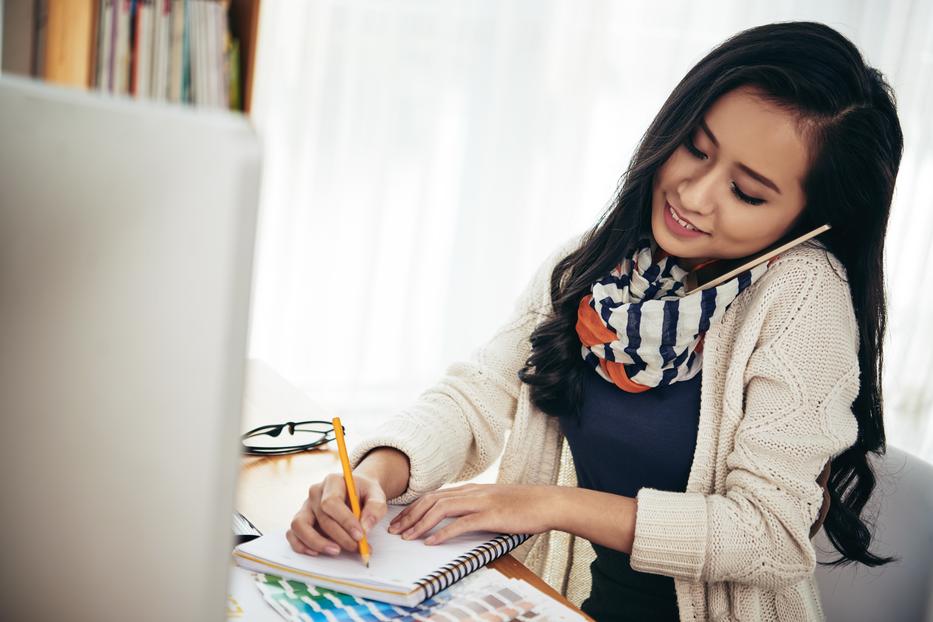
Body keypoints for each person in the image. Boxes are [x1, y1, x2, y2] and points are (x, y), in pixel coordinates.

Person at [286, 21, 903, 621]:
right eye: (696, 148)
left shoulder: (803, 295)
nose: (694, 194)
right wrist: (372, 475)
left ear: (808, 217)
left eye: (747, 192)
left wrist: (550, 505)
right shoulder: (600, 260)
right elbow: (480, 393)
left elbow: (770, 533)